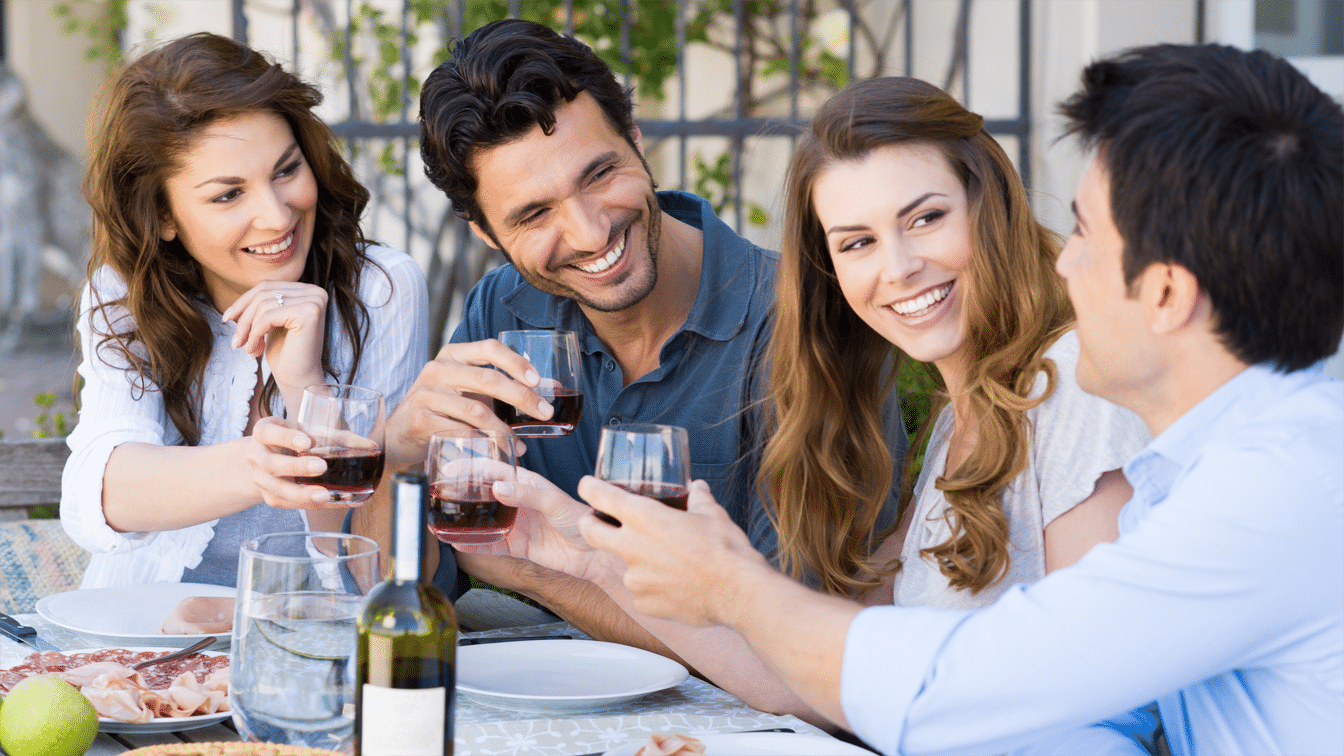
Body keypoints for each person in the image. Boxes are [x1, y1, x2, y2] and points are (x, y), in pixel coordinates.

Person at [576, 43, 1344, 756]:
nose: (1062, 264)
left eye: (1083, 236)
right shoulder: (1216, 469)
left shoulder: (1275, 492)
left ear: (1168, 293)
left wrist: (730, 585)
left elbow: (995, 691)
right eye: (856, 242)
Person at [461, 76, 1152, 732]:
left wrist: (733, 585)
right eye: (857, 242)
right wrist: (583, 558)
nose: (898, 266)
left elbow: (1092, 690)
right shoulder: (962, 419)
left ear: (990, 201)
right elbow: (811, 683)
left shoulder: (1070, 384)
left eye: (926, 218)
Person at [352, 18, 905, 655]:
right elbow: (392, 590)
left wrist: (539, 572)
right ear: (485, 234)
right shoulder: (502, 312)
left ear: (638, 145)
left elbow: (802, 641)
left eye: (599, 175)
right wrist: (400, 458)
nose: (590, 233)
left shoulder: (808, 327)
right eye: (534, 214)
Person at [62, 32, 428, 588]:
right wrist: (257, 466)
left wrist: (307, 387)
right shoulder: (125, 293)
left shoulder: (381, 289)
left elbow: (370, 562)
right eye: (228, 194)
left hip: (310, 637)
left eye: (285, 170)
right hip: (145, 631)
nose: (278, 217)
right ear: (163, 217)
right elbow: (99, 492)